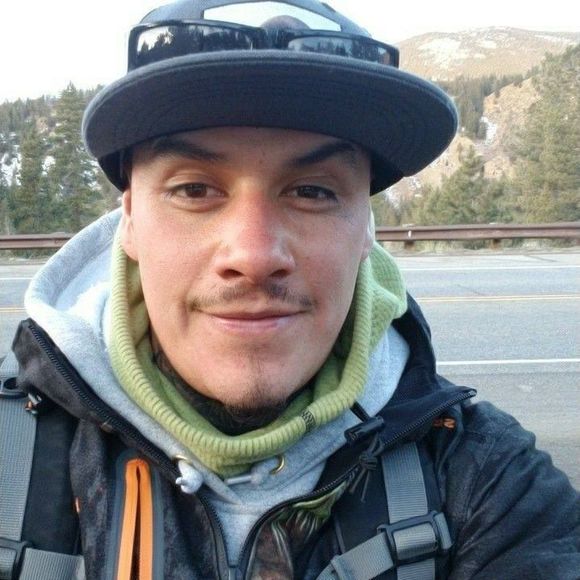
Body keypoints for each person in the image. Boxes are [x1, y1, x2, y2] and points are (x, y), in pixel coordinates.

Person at [2, 0, 578, 578]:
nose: (254, 256)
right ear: (128, 219)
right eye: (195, 189)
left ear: (367, 231)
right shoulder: (11, 454)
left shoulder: (483, 481)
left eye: (313, 191)